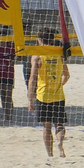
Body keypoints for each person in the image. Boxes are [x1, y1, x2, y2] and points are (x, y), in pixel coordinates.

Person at [27, 28, 69, 159]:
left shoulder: (37, 55)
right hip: (58, 95)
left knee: (46, 127)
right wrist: (59, 85)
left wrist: (30, 99)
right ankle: (60, 143)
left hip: (43, 95)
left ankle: (50, 155)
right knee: (60, 124)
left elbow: (33, 78)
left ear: (39, 40)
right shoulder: (58, 53)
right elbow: (67, 75)